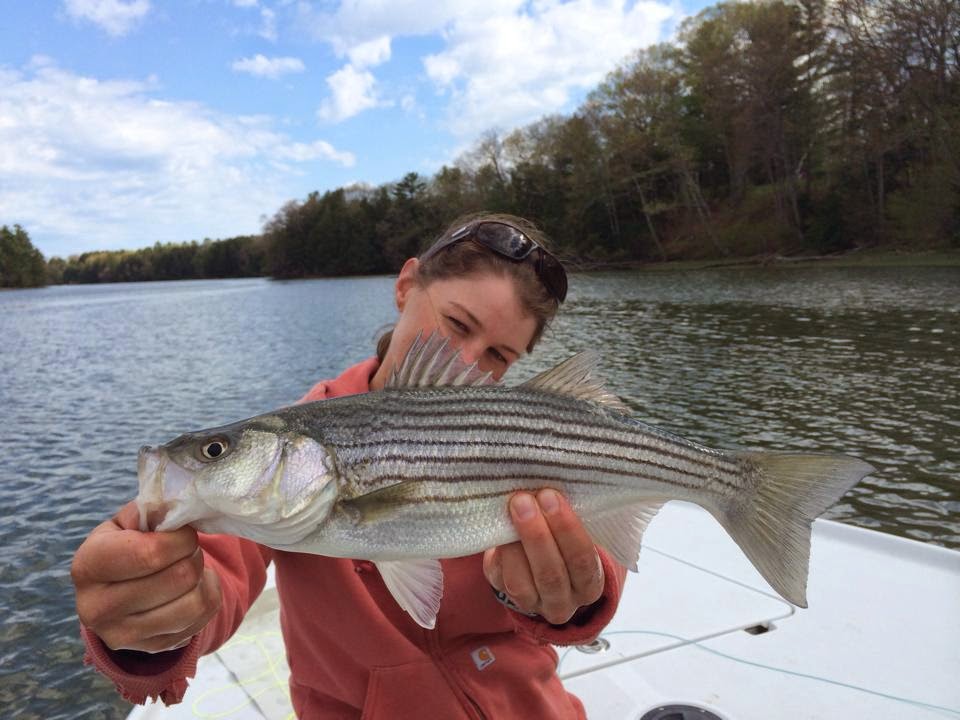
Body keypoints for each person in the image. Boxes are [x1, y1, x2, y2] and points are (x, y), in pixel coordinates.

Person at [71, 212, 628, 719]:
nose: (465, 361)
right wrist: (151, 618)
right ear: (406, 285)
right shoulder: (297, 430)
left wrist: (577, 598)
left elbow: (603, 541)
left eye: (499, 357)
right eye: (458, 324)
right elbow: (215, 576)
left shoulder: (529, 435)